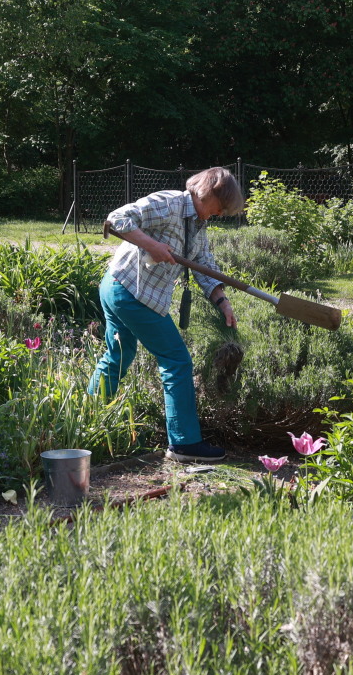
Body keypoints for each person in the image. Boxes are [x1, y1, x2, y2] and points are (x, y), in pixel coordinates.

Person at [87, 166, 244, 463]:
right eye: (221, 206)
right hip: (130, 292)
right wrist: (151, 244)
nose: (221, 213)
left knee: (118, 355)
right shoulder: (168, 203)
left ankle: (86, 421)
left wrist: (222, 301)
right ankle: (184, 444)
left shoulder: (198, 223)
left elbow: (204, 263)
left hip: (122, 288)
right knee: (177, 360)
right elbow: (116, 218)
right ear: (206, 192)